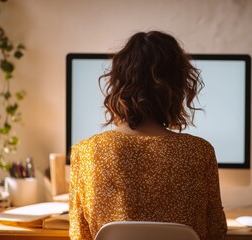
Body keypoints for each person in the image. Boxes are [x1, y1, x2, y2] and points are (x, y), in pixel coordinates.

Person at [69, 31, 227, 240]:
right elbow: (215, 233)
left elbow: (80, 236)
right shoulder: (200, 151)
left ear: (118, 85)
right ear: (178, 88)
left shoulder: (86, 152)